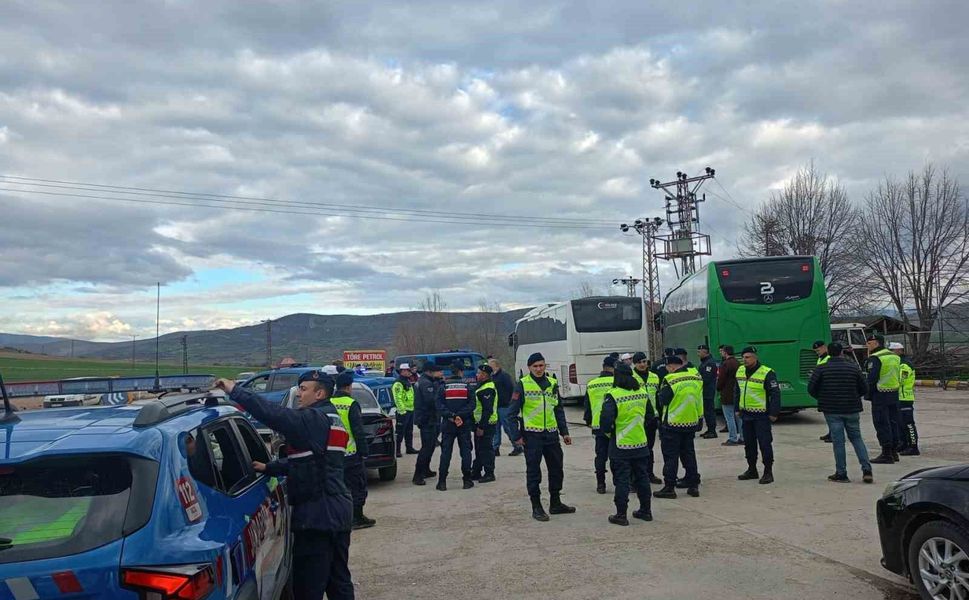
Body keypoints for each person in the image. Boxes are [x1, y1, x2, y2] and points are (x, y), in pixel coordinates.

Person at [215, 372, 354, 600]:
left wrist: (235, 390)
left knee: (308, 587)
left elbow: (273, 414)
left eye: (304, 389)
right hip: (337, 511)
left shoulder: (312, 419)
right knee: (338, 581)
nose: (299, 393)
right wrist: (270, 467)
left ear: (319, 393)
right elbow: (313, 461)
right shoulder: (332, 418)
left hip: (317, 518)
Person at [510, 352, 576, 522]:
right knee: (534, 472)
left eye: (541, 365)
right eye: (535, 366)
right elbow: (511, 414)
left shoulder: (552, 383)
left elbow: (558, 409)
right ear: (529, 368)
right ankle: (536, 506)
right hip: (532, 435)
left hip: (551, 435)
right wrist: (516, 436)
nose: (539, 369)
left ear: (545, 366)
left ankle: (555, 503)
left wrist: (564, 432)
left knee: (556, 469)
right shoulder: (522, 385)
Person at [807, 342, 873, 483]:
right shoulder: (853, 368)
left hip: (831, 410)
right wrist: (854, 396)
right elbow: (864, 388)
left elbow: (811, 388)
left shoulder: (821, 369)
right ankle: (867, 470)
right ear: (842, 352)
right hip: (852, 408)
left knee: (838, 442)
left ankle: (841, 473)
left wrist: (822, 398)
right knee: (857, 438)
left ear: (829, 353)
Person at [600, 363, 653, 526]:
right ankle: (646, 511)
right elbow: (650, 416)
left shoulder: (613, 395)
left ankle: (621, 514)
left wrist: (610, 433)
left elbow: (606, 422)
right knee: (642, 478)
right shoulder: (642, 393)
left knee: (622, 480)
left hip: (621, 445)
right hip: (640, 443)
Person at [329, 371, 374, 530]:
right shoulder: (351, 403)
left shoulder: (329, 402)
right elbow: (358, 430)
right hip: (350, 454)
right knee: (357, 487)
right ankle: (357, 518)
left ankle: (338, 517)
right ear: (348, 386)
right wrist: (364, 451)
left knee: (337, 487)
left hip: (332, 453)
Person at [653, 355, 701, 499]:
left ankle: (669, 487)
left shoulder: (671, 380)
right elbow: (699, 400)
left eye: (668, 368)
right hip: (691, 422)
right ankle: (693, 485)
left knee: (671, 457)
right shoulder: (695, 378)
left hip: (672, 424)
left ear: (671, 366)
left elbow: (663, 400)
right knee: (689, 454)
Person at [736, 346, 781, 484]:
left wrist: (774, 412)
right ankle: (752, 469)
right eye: (743, 357)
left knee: (765, 443)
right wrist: (737, 409)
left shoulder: (766, 372)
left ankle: (768, 472)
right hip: (746, 414)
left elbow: (775, 394)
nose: (745, 360)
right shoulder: (740, 370)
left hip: (761, 415)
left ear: (755, 357)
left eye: (748, 357)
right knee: (749, 444)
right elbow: (737, 390)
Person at [436, 359, 476, 490]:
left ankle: (442, 482)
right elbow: (472, 405)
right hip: (463, 424)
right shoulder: (467, 387)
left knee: (446, 453)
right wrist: (460, 416)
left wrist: (452, 416)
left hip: (448, 424)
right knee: (466, 452)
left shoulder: (443, 386)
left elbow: (439, 405)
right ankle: (467, 480)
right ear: (461, 371)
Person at [865, 334, 902, 464]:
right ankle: (894, 452)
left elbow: (872, 378)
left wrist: (867, 393)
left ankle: (886, 453)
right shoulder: (894, 356)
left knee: (881, 423)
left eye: (869, 343)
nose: (867, 346)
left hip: (880, 394)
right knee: (893, 422)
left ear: (876, 343)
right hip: (894, 393)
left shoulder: (876, 358)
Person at [583, 356, 616, 494]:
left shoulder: (592, 384)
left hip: (598, 425)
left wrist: (589, 421)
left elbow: (587, 406)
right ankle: (619, 482)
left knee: (601, 455)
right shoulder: (617, 382)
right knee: (616, 456)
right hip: (616, 425)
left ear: (603, 367)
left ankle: (600, 484)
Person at [632, 352, 662, 484]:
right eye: (639, 362)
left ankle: (649, 474)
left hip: (652, 418)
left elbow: (659, 397)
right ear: (634, 363)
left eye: (644, 361)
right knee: (635, 450)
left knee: (648, 449)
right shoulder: (630, 378)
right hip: (636, 418)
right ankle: (634, 478)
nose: (642, 364)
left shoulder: (655, 377)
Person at [412, 364, 443, 486]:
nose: (440, 373)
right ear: (430, 372)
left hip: (430, 418)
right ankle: (418, 475)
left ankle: (426, 470)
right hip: (427, 419)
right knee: (426, 447)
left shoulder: (427, 381)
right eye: (438, 371)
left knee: (430, 446)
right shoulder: (426, 383)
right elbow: (431, 400)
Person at [470, 364, 498, 483]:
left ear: (485, 375)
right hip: (479, 423)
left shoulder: (487, 389)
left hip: (486, 424)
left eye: (479, 373)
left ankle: (489, 473)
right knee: (479, 448)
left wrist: (482, 426)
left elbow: (488, 409)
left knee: (486, 449)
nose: (477, 375)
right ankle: (476, 471)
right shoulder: (481, 387)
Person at [892, 342, 920, 456]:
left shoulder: (905, 365)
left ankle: (913, 447)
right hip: (899, 397)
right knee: (900, 423)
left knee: (908, 423)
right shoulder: (898, 363)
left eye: (892, 351)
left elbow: (901, 380)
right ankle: (903, 443)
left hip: (905, 398)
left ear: (899, 351)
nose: (891, 353)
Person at [489, 357, 520, 456]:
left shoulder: (504, 376)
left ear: (496, 366)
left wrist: (510, 402)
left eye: (490, 365)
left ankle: (517, 446)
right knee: (495, 429)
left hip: (504, 406)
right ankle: (495, 448)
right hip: (495, 406)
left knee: (508, 428)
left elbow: (511, 388)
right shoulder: (492, 377)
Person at [716, 345, 743, 446]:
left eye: (722, 352)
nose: (721, 353)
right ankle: (742, 437)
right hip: (737, 393)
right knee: (738, 417)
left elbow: (721, 379)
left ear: (725, 352)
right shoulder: (738, 363)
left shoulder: (725, 364)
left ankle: (733, 438)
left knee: (729, 417)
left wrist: (718, 387)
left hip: (726, 394)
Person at [392, 363, 418, 457]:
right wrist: (402, 410)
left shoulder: (407, 381)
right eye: (408, 371)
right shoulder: (398, 383)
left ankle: (409, 448)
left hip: (410, 409)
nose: (409, 372)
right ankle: (397, 450)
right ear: (403, 371)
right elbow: (397, 398)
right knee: (400, 432)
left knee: (409, 431)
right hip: (403, 411)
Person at [813, 341, 833, 443]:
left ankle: (833, 434)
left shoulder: (829, 359)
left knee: (831, 414)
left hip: (828, 390)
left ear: (824, 347)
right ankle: (831, 432)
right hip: (822, 390)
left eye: (818, 350)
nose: (817, 352)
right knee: (827, 413)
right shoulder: (820, 359)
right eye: (816, 351)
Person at [698, 345, 719, 439]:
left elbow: (706, 378)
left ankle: (712, 431)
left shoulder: (709, 363)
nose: (698, 354)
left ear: (705, 352)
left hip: (708, 391)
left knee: (709, 411)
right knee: (706, 411)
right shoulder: (704, 362)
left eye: (699, 352)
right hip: (705, 391)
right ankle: (709, 429)